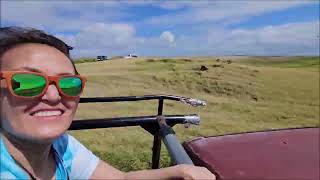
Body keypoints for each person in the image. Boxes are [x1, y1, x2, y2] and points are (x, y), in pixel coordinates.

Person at [0, 27, 216, 179]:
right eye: (27, 82)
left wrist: (179, 171)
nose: (54, 96)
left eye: (69, 83)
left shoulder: (61, 146)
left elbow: (120, 178)